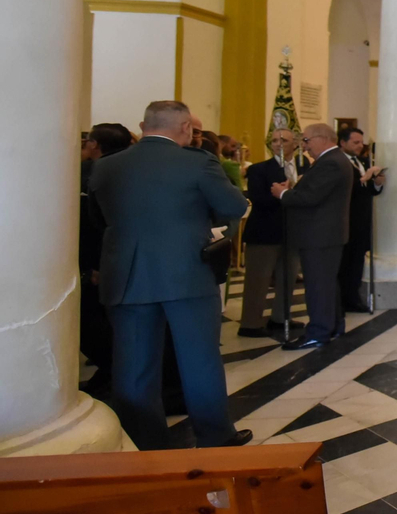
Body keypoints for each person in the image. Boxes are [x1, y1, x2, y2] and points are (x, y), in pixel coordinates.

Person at [88, 100, 250, 450]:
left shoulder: (105, 166)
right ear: (186, 129)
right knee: (199, 360)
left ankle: (148, 445)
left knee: (133, 369)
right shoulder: (197, 162)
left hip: (127, 274)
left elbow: (96, 219)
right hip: (186, 273)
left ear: (143, 126)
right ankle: (215, 436)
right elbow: (234, 206)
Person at [274, 123, 353, 350]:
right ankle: (333, 325)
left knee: (318, 285)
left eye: (307, 141)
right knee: (327, 284)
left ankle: (318, 332)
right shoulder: (334, 160)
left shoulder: (331, 163)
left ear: (322, 138)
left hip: (320, 235)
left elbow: (311, 197)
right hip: (325, 234)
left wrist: (284, 194)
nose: (304, 146)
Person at [79, 123, 134, 396]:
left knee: (93, 325)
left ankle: (117, 374)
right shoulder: (136, 172)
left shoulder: (88, 174)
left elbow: (93, 222)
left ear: (94, 146)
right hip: (130, 259)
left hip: (99, 259)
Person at [240, 129, 303, 338]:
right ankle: (250, 323)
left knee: (288, 278)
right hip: (264, 232)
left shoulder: (305, 166)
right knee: (258, 280)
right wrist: (285, 193)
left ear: (295, 144)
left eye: (283, 140)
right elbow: (257, 199)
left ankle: (280, 317)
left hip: (292, 231)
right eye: (274, 141)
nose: (277, 144)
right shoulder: (259, 169)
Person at [336, 126, 385, 314]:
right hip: (345, 219)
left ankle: (352, 297)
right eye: (355, 142)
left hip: (362, 221)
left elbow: (367, 191)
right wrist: (364, 178)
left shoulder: (362, 161)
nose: (359, 146)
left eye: (360, 142)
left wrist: (377, 183)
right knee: (343, 263)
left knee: (357, 261)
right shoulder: (339, 163)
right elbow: (345, 188)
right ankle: (339, 300)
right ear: (343, 143)